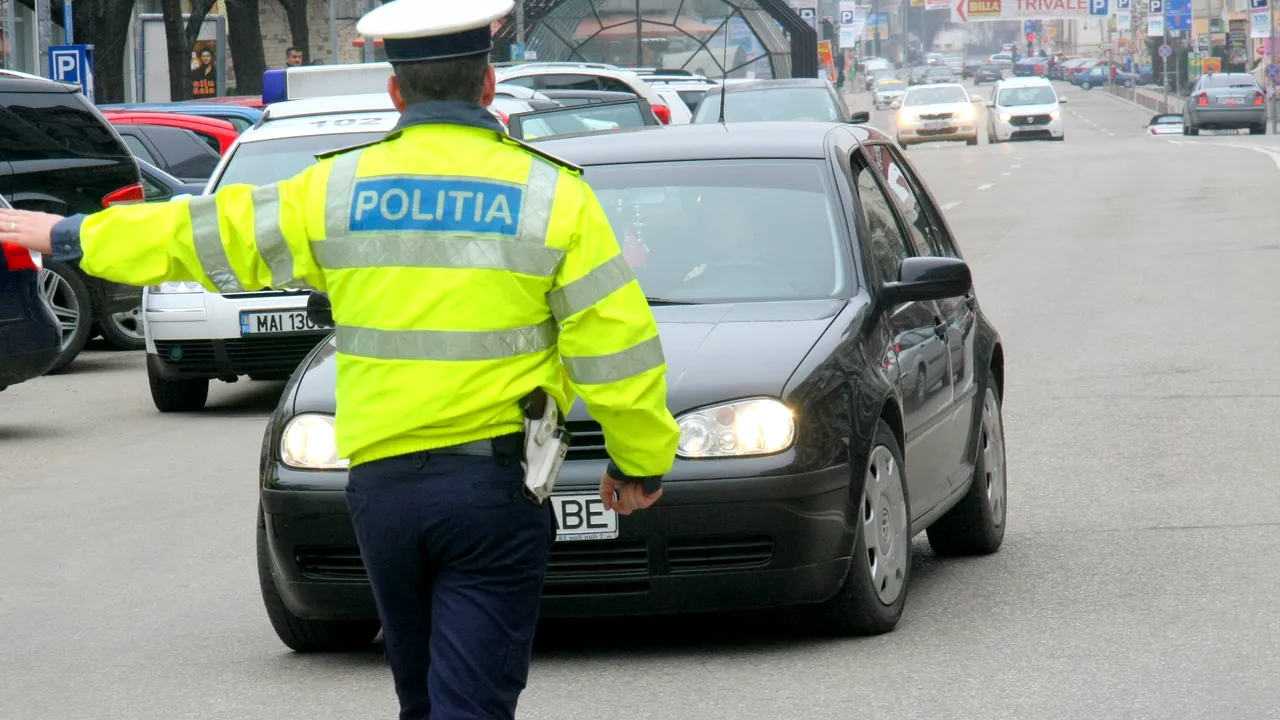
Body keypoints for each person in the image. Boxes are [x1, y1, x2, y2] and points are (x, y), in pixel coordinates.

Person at [0, 0, 680, 717]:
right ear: (488, 85)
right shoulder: (553, 195)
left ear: (395, 92)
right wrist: (638, 463)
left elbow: (206, 233)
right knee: (470, 704)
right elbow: (617, 349)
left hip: (381, 494)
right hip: (490, 492)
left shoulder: (336, 190)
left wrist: (72, 234)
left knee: (424, 700)